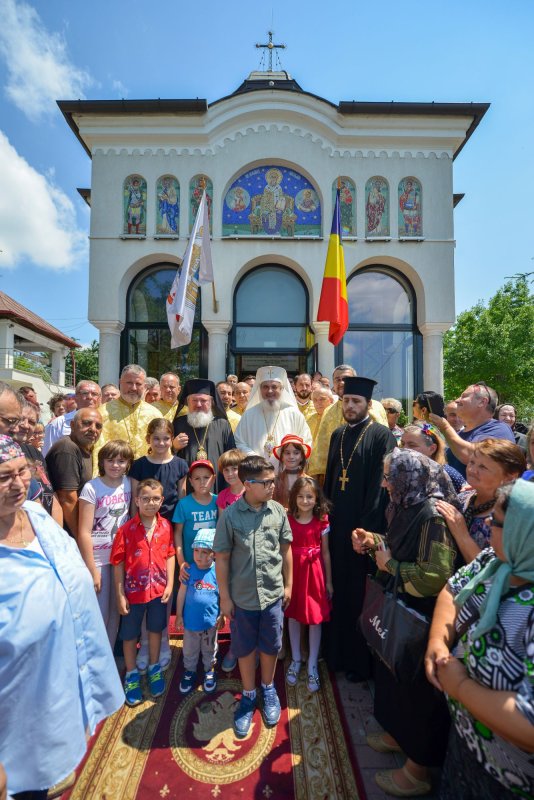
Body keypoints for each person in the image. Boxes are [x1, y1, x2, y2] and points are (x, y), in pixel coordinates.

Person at [0, 436, 124, 798]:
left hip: (57, 693)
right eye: (4, 477)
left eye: (22, 471)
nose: (18, 484)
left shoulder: (37, 516)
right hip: (15, 731)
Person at [353, 448, 458, 797]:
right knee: (395, 679)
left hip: (420, 616)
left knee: (416, 695)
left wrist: (390, 566)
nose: (384, 484)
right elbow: (398, 547)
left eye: (389, 477)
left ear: (407, 478)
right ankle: (397, 735)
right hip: (400, 605)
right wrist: (373, 542)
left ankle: (416, 772)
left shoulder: (432, 516)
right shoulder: (404, 503)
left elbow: (435, 576)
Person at [426, 480, 534, 799]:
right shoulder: (495, 561)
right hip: (467, 746)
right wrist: (438, 641)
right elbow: (453, 589)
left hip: (510, 780)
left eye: (496, 522)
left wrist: (460, 686)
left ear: (523, 534)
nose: (487, 524)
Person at [323, 376, 396, 679]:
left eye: (356, 401)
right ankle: (334, 654)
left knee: (358, 594)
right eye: (346, 401)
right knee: (336, 589)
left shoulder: (381, 435)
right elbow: (331, 478)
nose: (350, 406)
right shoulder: (338, 434)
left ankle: (358, 663)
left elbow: (380, 489)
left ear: (367, 404)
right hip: (337, 527)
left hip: (363, 532)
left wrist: (366, 531)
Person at [214, 455, 293, 738]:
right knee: (245, 647)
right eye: (266, 482)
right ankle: (248, 694)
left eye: (273, 481)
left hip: (272, 594)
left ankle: (268, 688)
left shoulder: (278, 511)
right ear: (247, 484)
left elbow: (285, 550)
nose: (272, 486)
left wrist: (289, 585)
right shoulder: (230, 516)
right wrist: (225, 597)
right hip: (243, 598)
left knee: (270, 645)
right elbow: (222, 558)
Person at [111, 478, 175, 706]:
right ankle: (131, 674)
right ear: (137, 500)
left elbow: (170, 554)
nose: (151, 503)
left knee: (156, 629)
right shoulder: (126, 530)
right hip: (133, 593)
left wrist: (170, 584)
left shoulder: (166, 526)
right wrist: (120, 594)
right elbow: (118, 563)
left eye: (156, 499)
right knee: (129, 635)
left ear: (162, 500)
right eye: (145, 499)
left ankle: (154, 667)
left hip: (158, 591)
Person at [78, 439, 134, 645]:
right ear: (102, 461)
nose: (115, 465)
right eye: (110, 460)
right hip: (99, 559)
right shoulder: (92, 488)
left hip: (120, 558)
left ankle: (108, 656)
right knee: (99, 614)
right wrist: (91, 568)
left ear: (128, 463)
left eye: (121, 461)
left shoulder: (129, 483)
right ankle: (94, 657)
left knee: (115, 612)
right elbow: (83, 531)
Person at [435, 438, 526, 565]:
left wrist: (462, 534)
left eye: (483, 467)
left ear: (510, 477)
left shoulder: (506, 519)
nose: (472, 470)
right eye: (472, 462)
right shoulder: (464, 496)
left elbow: (492, 571)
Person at [285, 477, 332, 693]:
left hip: (314, 575)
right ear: (294, 498)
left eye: (309, 497)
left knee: (315, 618)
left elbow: (326, 553)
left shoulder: (321, 520)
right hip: (294, 573)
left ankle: (312, 662)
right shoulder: (288, 520)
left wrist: (329, 581)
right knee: (294, 616)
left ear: (316, 499)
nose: (305, 501)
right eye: (301, 496)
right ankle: (296, 658)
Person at [308, 365, 388, 481]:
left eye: (345, 379)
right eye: (337, 379)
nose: (341, 383)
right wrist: (317, 477)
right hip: (336, 475)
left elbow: (383, 443)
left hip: (367, 473)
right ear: (333, 383)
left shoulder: (375, 406)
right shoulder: (328, 411)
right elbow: (321, 448)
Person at [430, 382, 515, 479]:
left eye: (464, 396)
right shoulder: (459, 435)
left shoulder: (499, 429)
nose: (457, 400)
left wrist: (445, 427)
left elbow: (474, 457)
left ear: (482, 402)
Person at [234, 365, 312, 470]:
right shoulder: (249, 414)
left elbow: (305, 441)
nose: (270, 391)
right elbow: (239, 442)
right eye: (265, 387)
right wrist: (256, 459)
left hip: (287, 472)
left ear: (282, 389)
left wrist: (289, 460)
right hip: (255, 471)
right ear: (259, 389)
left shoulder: (294, 413)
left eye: (274, 387)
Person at [175, 528, 222, 694]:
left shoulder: (218, 572)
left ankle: (209, 670)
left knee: (209, 648)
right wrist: (178, 614)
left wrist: (222, 614)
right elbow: (181, 593)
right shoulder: (188, 571)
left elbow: (223, 595)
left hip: (210, 623)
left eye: (204, 552)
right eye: (196, 551)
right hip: (190, 622)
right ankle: (190, 671)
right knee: (190, 649)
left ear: (213, 554)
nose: (199, 556)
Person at [46, 408, 103, 538]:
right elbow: (67, 499)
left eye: (98, 426)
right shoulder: (67, 448)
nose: (93, 429)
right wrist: (80, 537)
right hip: (66, 532)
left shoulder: (87, 449)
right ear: (72, 425)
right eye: (87, 423)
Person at [172, 379, 235, 492]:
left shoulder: (223, 424)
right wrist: (174, 447)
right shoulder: (178, 424)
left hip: (217, 485)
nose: (198, 404)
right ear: (187, 402)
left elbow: (232, 458)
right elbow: (166, 458)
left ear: (211, 402)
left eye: (203, 400)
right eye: (194, 400)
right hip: (186, 487)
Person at [94, 364, 162, 464]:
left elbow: (163, 448)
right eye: (129, 383)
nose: (133, 388)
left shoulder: (155, 414)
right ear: (120, 382)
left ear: (144, 386)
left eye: (138, 384)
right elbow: (97, 449)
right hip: (114, 471)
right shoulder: (102, 413)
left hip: (148, 471)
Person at [14, 398, 63, 525]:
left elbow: (51, 494)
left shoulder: (34, 452)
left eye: (31, 422)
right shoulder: (5, 455)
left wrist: (56, 532)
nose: (26, 425)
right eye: (21, 419)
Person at [129, 418, 188, 522]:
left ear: (172, 439)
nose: (161, 443)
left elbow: (181, 499)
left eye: (166, 438)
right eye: (156, 438)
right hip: (145, 523)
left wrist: (180, 527)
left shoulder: (180, 465)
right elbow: (134, 500)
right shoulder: (138, 465)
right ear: (148, 439)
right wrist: (134, 523)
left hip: (171, 523)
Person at [173, 460, 218, 582]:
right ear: (191, 481)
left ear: (213, 479)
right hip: (191, 564)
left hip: (213, 563)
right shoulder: (183, 504)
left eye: (206, 477)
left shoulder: (218, 501)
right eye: (197, 478)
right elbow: (177, 533)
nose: (202, 482)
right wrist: (181, 561)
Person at [400, 422, 466, 492]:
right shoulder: (400, 471)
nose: (404, 449)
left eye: (412, 445)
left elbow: (467, 495)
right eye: (402, 444)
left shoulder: (447, 473)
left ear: (432, 449)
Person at [43, 380, 101, 456]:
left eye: (94, 394)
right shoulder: (58, 424)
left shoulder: (107, 423)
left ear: (100, 399)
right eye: (85, 393)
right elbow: (47, 455)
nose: (89, 397)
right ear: (76, 397)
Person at [273, 433, 311, 509]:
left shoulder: (309, 481)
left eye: (296, 453)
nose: (291, 456)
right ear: (282, 457)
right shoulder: (275, 481)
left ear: (302, 457)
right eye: (287, 453)